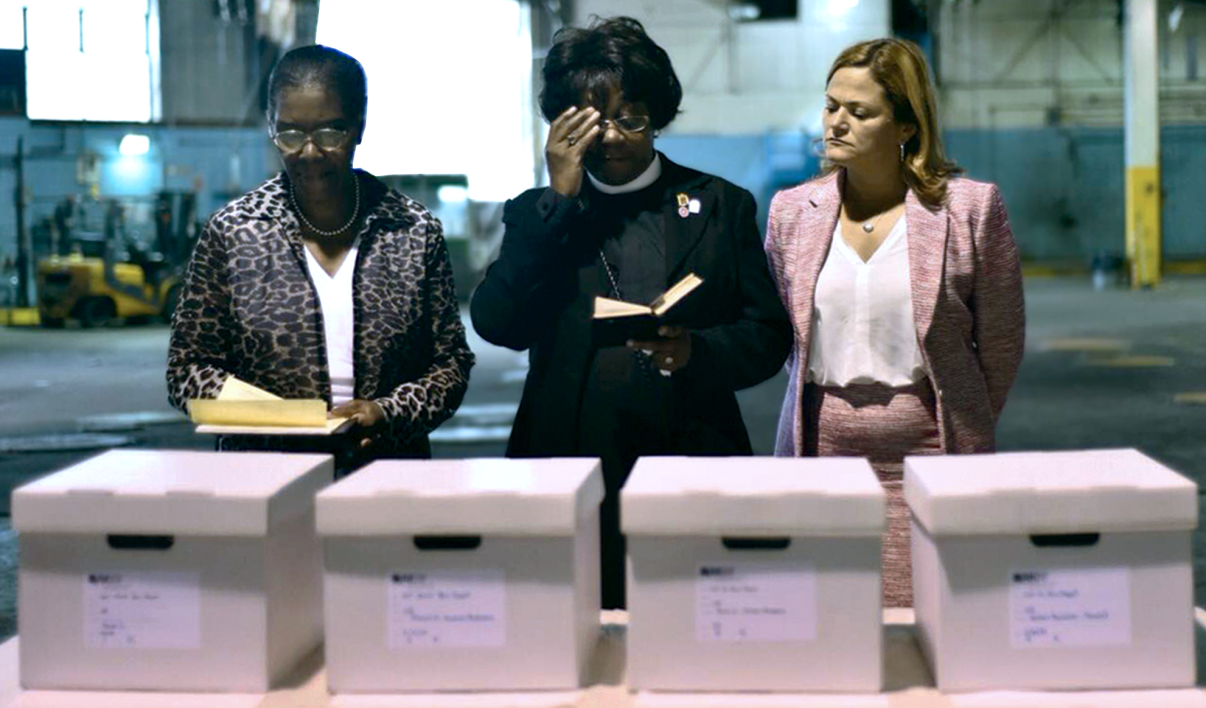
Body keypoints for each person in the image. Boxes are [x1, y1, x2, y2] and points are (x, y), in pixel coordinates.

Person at [471, 16, 792, 608]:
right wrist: (558, 200)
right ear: (564, 124)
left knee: (693, 623)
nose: (614, 138)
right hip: (567, 458)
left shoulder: (721, 204)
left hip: (691, 453)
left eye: (631, 118)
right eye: (595, 121)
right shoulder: (536, 213)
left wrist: (700, 351)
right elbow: (498, 324)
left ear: (658, 117)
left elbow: (768, 336)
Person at [765, 38, 1025, 607]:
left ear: (906, 125)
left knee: (937, 620)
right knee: (831, 619)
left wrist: (965, 416)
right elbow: (791, 339)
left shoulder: (970, 209)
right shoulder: (791, 213)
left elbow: (1001, 344)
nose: (837, 123)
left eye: (860, 113)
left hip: (933, 454)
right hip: (823, 455)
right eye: (831, 105)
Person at [167, 44, 473, 471]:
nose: (309, 153)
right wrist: (273, 423)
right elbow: (187, 369)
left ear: (359, 126)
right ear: (271, 127)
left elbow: (450, 364)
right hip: (264, 480)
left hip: (386, 472)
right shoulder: (235, 232)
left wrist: (388, 413)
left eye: (330, 133)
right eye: (290, 134)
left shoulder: (411, 231)